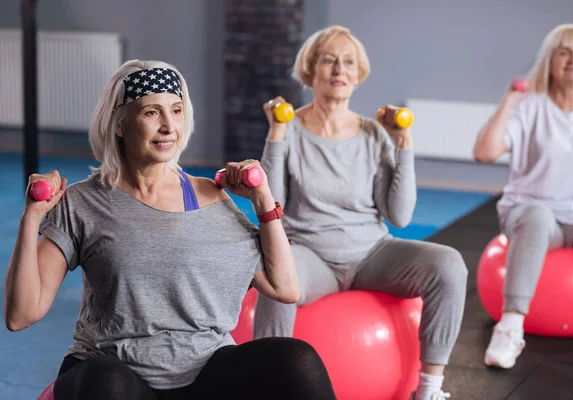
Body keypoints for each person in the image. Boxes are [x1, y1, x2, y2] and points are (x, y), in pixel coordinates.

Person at [3, 59, 337, 400]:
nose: (167, 126)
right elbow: (21, 315)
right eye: (151, 112)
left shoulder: (212, 197)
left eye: (176, 110)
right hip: (114, 369)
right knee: (109, 384)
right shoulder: (83, 202)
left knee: (297, 360)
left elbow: (285, 288)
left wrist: (264, 200)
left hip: (203, 369)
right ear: (120, 124)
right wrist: (31, 218)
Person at [253, 25, 468, 400]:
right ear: (310, 71)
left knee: (449, 265)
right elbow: (272, 206)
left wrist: (404, 145)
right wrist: (276, 135)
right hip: (310, 254)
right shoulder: (291, 129)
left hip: (372, 253)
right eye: (329, 60)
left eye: (348, 62)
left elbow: (399, 215)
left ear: (358, 75)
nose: (339, 69)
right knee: (276, 276)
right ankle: (265, 386)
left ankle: (430, 388)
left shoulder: (373, 133)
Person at [473, 23, 573, 369]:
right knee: (538, 215)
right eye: (564, 52)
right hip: (532, 216)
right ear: (550, 61)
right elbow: (484, 152)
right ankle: (510, 326)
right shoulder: (531, 107)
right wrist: (510, 100)